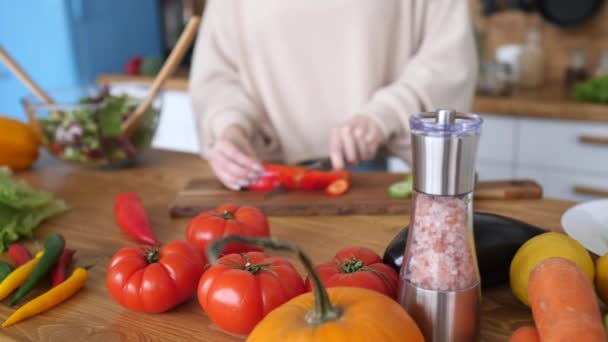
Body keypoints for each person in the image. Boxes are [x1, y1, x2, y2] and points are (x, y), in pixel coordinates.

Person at [189, 0, 478, 190]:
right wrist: (229, 127)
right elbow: (218, 75)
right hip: (260, 177)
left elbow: (448, 60)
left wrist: (382, 116)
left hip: (368, 179)